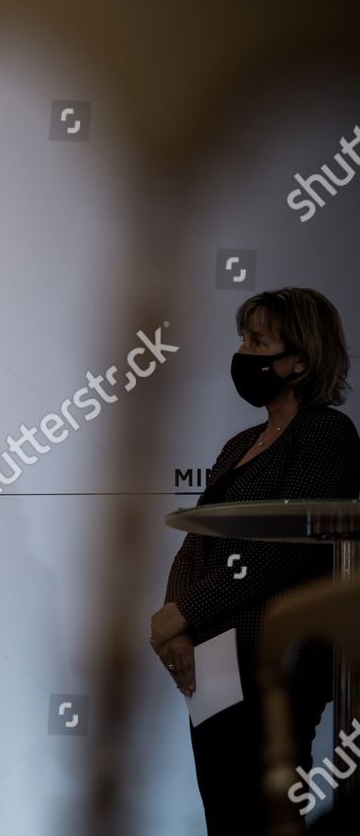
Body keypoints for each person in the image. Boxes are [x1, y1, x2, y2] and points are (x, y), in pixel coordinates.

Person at [154, 287, 360, 835]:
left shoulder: (327, 434)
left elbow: (280, 553)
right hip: (214, 658)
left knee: (261, 815)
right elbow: (197, 540)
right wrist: (176, 623)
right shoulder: (240, 443)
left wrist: (185, 610)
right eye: (244, 339)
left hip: (278, 656)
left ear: (301, 360)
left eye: (259, 341)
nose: (244, 353)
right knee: (223, 813)